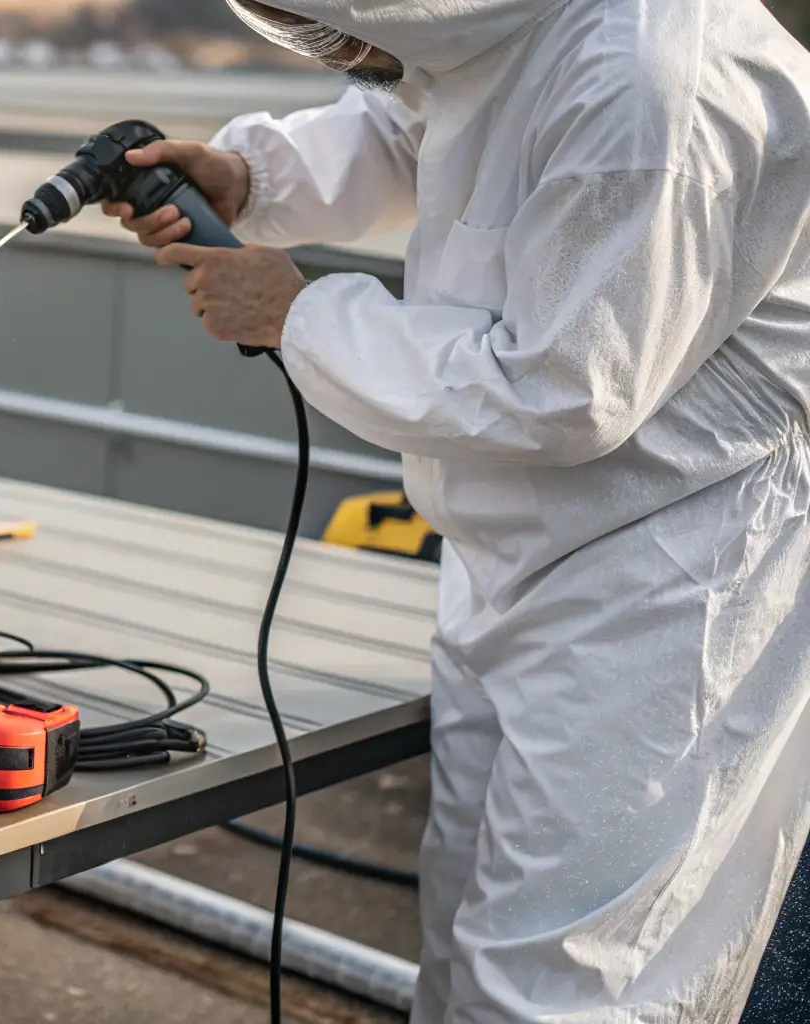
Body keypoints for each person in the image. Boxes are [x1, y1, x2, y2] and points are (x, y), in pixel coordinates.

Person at [105, 1, 810, 1021]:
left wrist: (297, 314)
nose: (342, 57)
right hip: (524, 549)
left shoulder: (648, 78)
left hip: (670, 576)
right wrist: (251, 179)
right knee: (463, 955)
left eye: (332, 31)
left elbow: (566, 387)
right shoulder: (504, 25)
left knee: (567, 985)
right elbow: (422, 113)